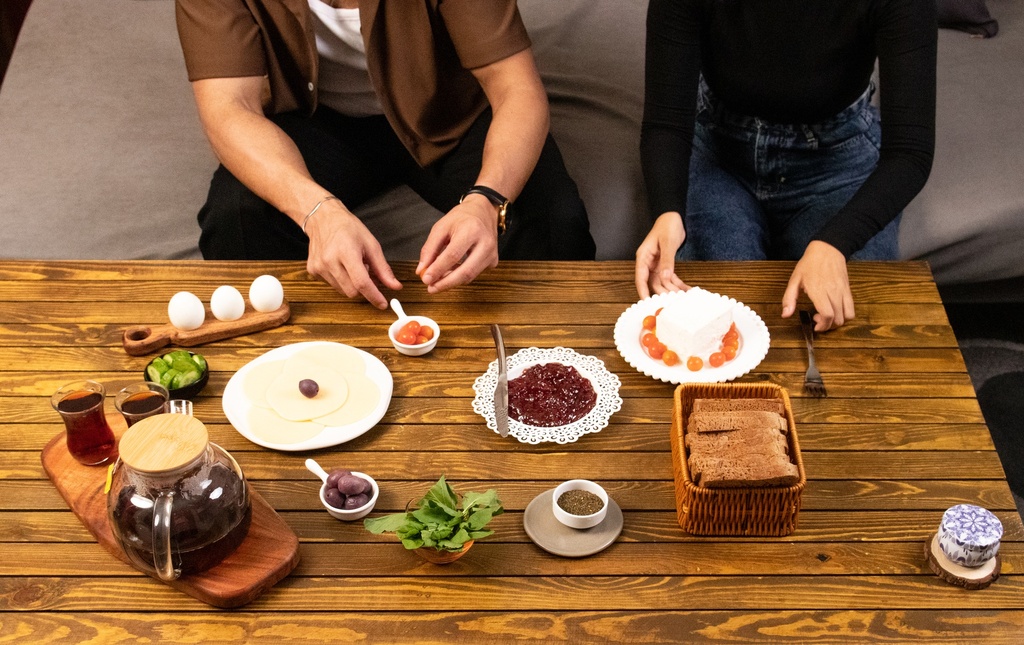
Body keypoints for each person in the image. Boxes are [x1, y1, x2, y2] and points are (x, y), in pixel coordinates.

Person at [174, 0, 595, 309]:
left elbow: (516, 88)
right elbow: (229, 108)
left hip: (445, 110)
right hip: (317, 116)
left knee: (553, 218)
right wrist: (317, 211)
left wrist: (486, 201)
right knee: (237, 218)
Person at [635, 0, 936, 330]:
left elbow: (910, 153)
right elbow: (666, 124)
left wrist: (836, 242)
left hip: (838, 162)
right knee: (711, 325)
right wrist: (668, 211)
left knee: (850, 328)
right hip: (722, 153)